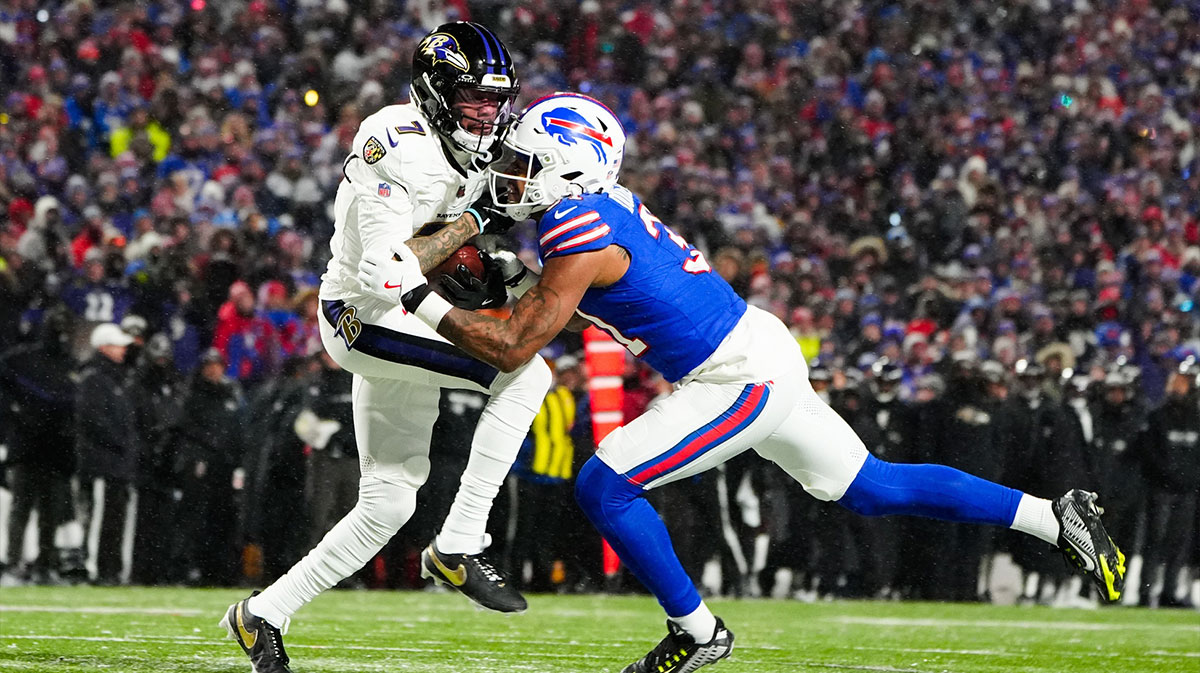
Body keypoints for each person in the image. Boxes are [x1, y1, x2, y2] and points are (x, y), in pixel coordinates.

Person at [381, 92, 1127, 672]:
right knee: (870, 484)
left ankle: (697, 630)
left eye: (522, 161)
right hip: (750, 349)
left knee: (604, 484)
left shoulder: (576, 227)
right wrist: (518, 284)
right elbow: (588, 306)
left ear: (569, 167)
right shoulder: (587, 214)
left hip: (733, 375)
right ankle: (1055, 517)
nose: (507, 174)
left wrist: (416, 295)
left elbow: (515, 346)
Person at [221, 22, 551, 673]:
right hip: (363, 315)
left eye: (496, 100)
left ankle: (261, 616)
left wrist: (495, 258)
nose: (488, 115)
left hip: (404, 315)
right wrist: (476, 223)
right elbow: (387, 271)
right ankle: (459, 542)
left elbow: (448, 244)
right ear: (434, 92)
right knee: (525, 373)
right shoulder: (394, 140)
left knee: (391, 499)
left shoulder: (477, 151)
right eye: (474, 99)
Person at [75, 322, 141, 586]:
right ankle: (95, 568)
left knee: (115, 519)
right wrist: (120, 443)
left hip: (116, 462)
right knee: (101, 515)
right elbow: (93, 420)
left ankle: (111, 569)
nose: (123, 350)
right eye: (117, 345)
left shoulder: (118, 378)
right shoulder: (94, 378)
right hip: (101, 462)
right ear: (103, 347)